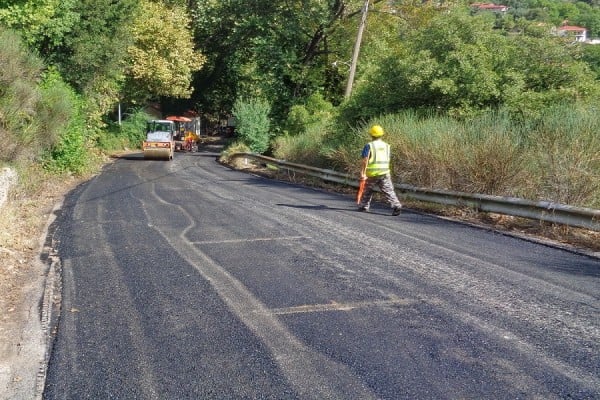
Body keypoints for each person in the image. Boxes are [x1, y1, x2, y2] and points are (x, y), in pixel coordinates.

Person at [358, 124, 403, 216]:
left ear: (371, 135)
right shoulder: (387, 146)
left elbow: (365, 159)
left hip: (372, 173)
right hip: (385, 172)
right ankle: (396, 205)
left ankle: (364, 206)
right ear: (382, 135)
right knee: (389, 191)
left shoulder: (369, 145)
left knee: (367, 190)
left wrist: (363, 172)